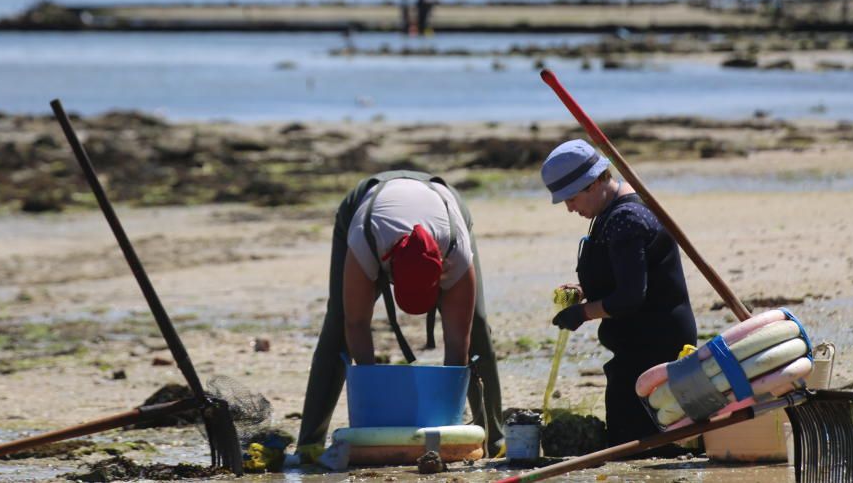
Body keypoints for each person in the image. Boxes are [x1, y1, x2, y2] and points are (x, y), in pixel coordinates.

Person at [297, 170, 503, 455]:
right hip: (368, 204)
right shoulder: (365, 241)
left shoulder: (455, 250)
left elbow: (459, 342)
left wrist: (445, 419)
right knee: (339, 322)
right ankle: (309, 443)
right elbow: (356, 324)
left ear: (442, 271)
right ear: (387, 271)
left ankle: (496, 440)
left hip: (441, 202)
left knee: (477, 325)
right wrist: (373, 396)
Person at [541, 140, 697, 447]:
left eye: (572, 198)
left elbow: (628, 297)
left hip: (655, 346)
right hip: (635, 344)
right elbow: (623, 273)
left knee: (639, 443)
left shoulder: (626, 219)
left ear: (596, 181)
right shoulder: (607, 212)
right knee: (632, 438)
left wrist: (581, 313)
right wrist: (586, 291)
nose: (571, 208)